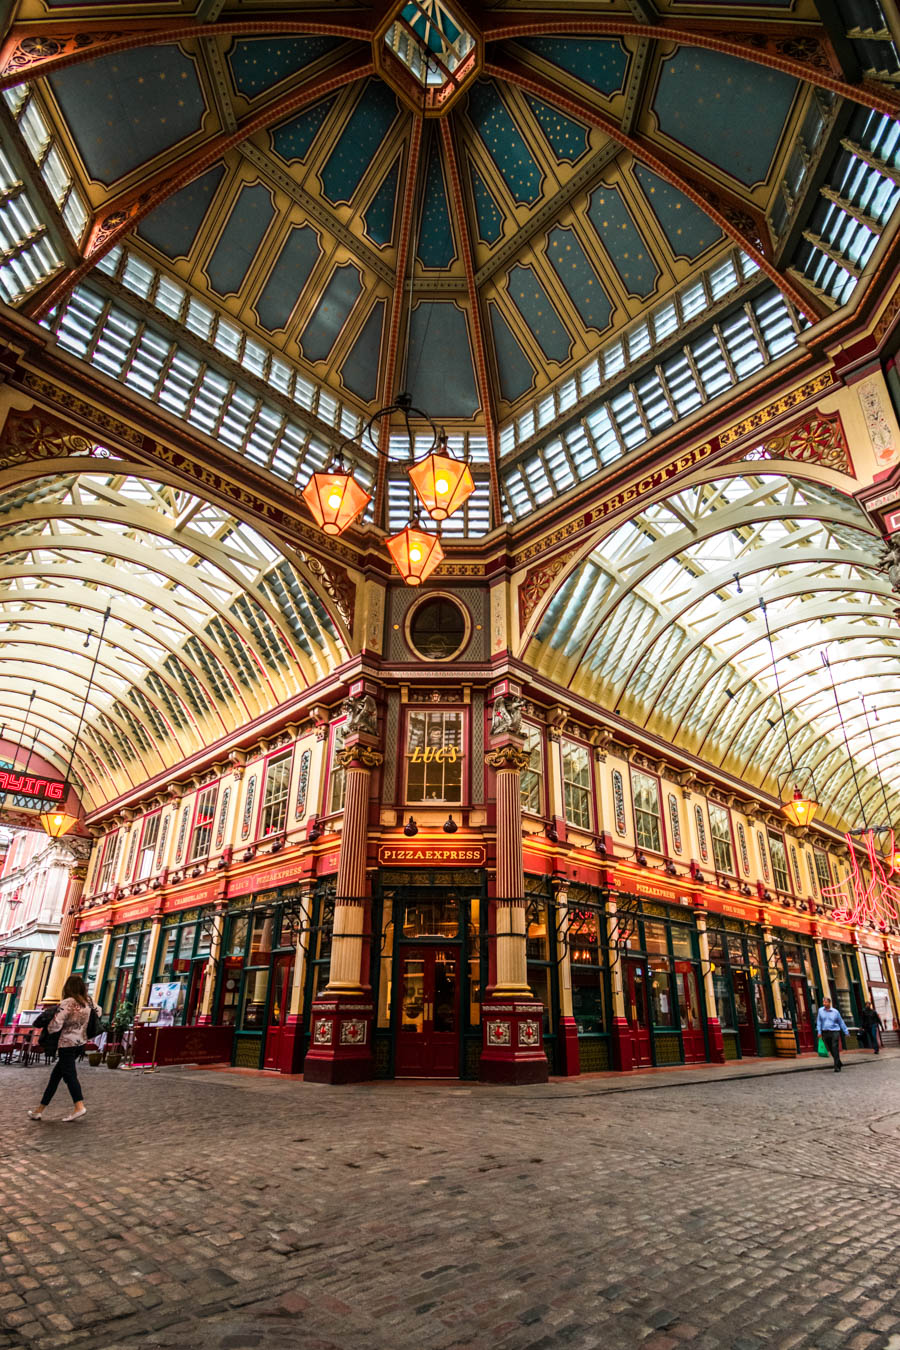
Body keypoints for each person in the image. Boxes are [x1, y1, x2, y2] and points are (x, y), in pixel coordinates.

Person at [27, 975, 100, 1122]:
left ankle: (79, 1106)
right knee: (55, 1077)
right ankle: (39, 1110)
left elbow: (56, 1025)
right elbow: (98, 1012)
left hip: (66, 1044)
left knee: (70, 1076)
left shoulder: (68, 1003)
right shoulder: (89, 1002)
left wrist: (48, 1027)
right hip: (80, 1043)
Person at [816, 996, 849, 1072]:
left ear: (829, 1003)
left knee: (834, 1047)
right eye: (823, 1002)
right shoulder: (820, 1010)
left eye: (826, 1002)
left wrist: (846, 1031)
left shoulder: (835, 1012)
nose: (824, 1003)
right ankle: (839, 1062)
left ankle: (836, 1066)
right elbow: (819, 1022)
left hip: (835, 1031)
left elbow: (841, 1022)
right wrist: (819, 1031)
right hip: (825, 1032)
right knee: (830, 1049)